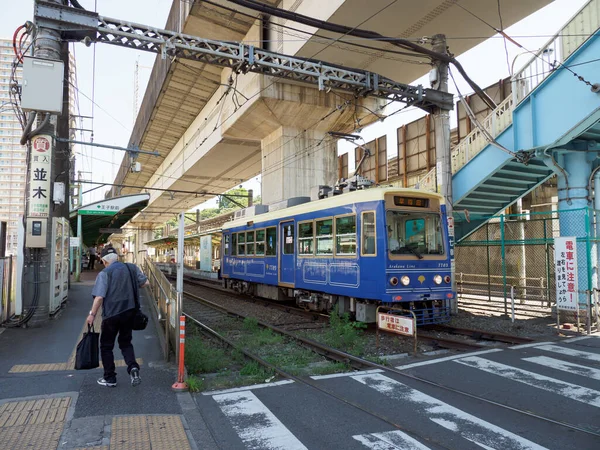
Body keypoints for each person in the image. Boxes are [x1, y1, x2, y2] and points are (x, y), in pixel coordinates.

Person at [87, 246, 149, 387]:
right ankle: (133, 367)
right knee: (126, 343)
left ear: (103, 261)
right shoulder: (131, 268)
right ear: (117, 257)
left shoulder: (105, 273)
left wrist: (92, 314)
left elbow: (99, 297)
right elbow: (145, 282)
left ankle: (110, 378)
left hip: (111, 315)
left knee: (106, 346)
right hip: (129, 313)